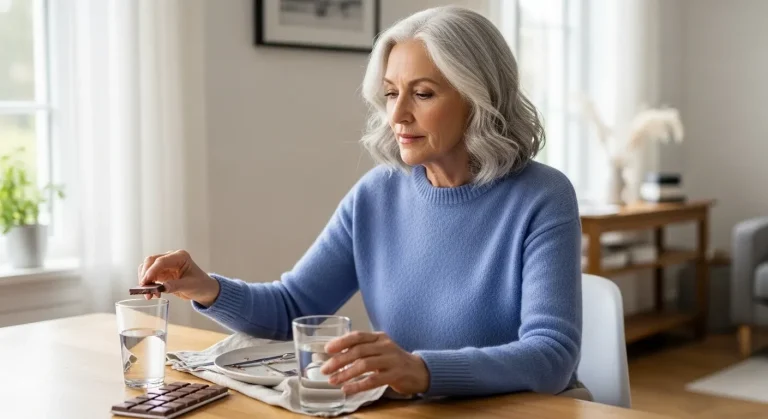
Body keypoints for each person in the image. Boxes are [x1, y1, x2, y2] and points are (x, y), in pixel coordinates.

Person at [138, 6, 589, 400]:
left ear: (479, 99)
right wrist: (206, 288)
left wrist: (423, 371)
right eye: (392, 93)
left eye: (423, 93)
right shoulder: (377, 195)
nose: (397, 115)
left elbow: (551, 357)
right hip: (422, 410)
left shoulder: (542, 196)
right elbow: (293, 307)